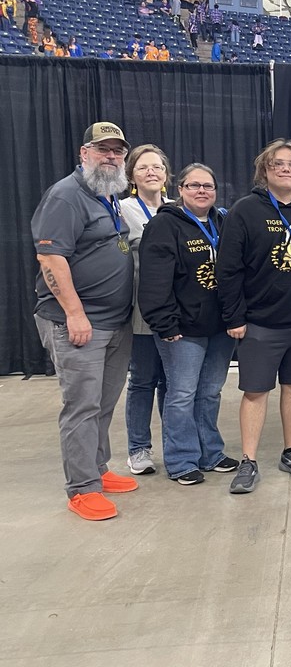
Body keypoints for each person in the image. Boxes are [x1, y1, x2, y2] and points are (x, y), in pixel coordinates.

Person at [216, 139, 291, 494]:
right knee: (255, 391)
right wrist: (234, 317)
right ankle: (249, 460)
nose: (286, 169)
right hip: (259, 321)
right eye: (277, 164)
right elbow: (228, 269)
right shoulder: (245, 210)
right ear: (264, 170)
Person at [32, 122, 138, 520]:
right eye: (102, 150)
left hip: (115, 321)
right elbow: (50, 258)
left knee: (103, 402)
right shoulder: (65, 195)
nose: (110, 157)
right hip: (77, 322)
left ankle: (97, 468)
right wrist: (75, 314)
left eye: (117, 151)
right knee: (80, 405)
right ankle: (81, 488)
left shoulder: (108, 194)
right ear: (84, 153)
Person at [138, 163, 240, 485]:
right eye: (194, 186)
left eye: (207, 186)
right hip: (182, 329)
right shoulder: (165, 225)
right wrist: (164, 323)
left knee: (210, 393)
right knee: (181, 394)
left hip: (220, 327)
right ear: (180, 189)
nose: (201, 191)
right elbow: (154, 280)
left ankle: (210, 453)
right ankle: (182, 461)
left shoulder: (223, 222)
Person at [120, 145, 172, 476]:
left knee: (172, 381)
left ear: (167, 175)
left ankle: (176, 444)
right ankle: (138, 448)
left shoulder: (178, 209)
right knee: (142, 379)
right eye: (143, 167)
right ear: (131, 176)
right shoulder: (122, 209)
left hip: (175, 310)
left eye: (157, 167)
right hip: (141, 308)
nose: (151, 172)